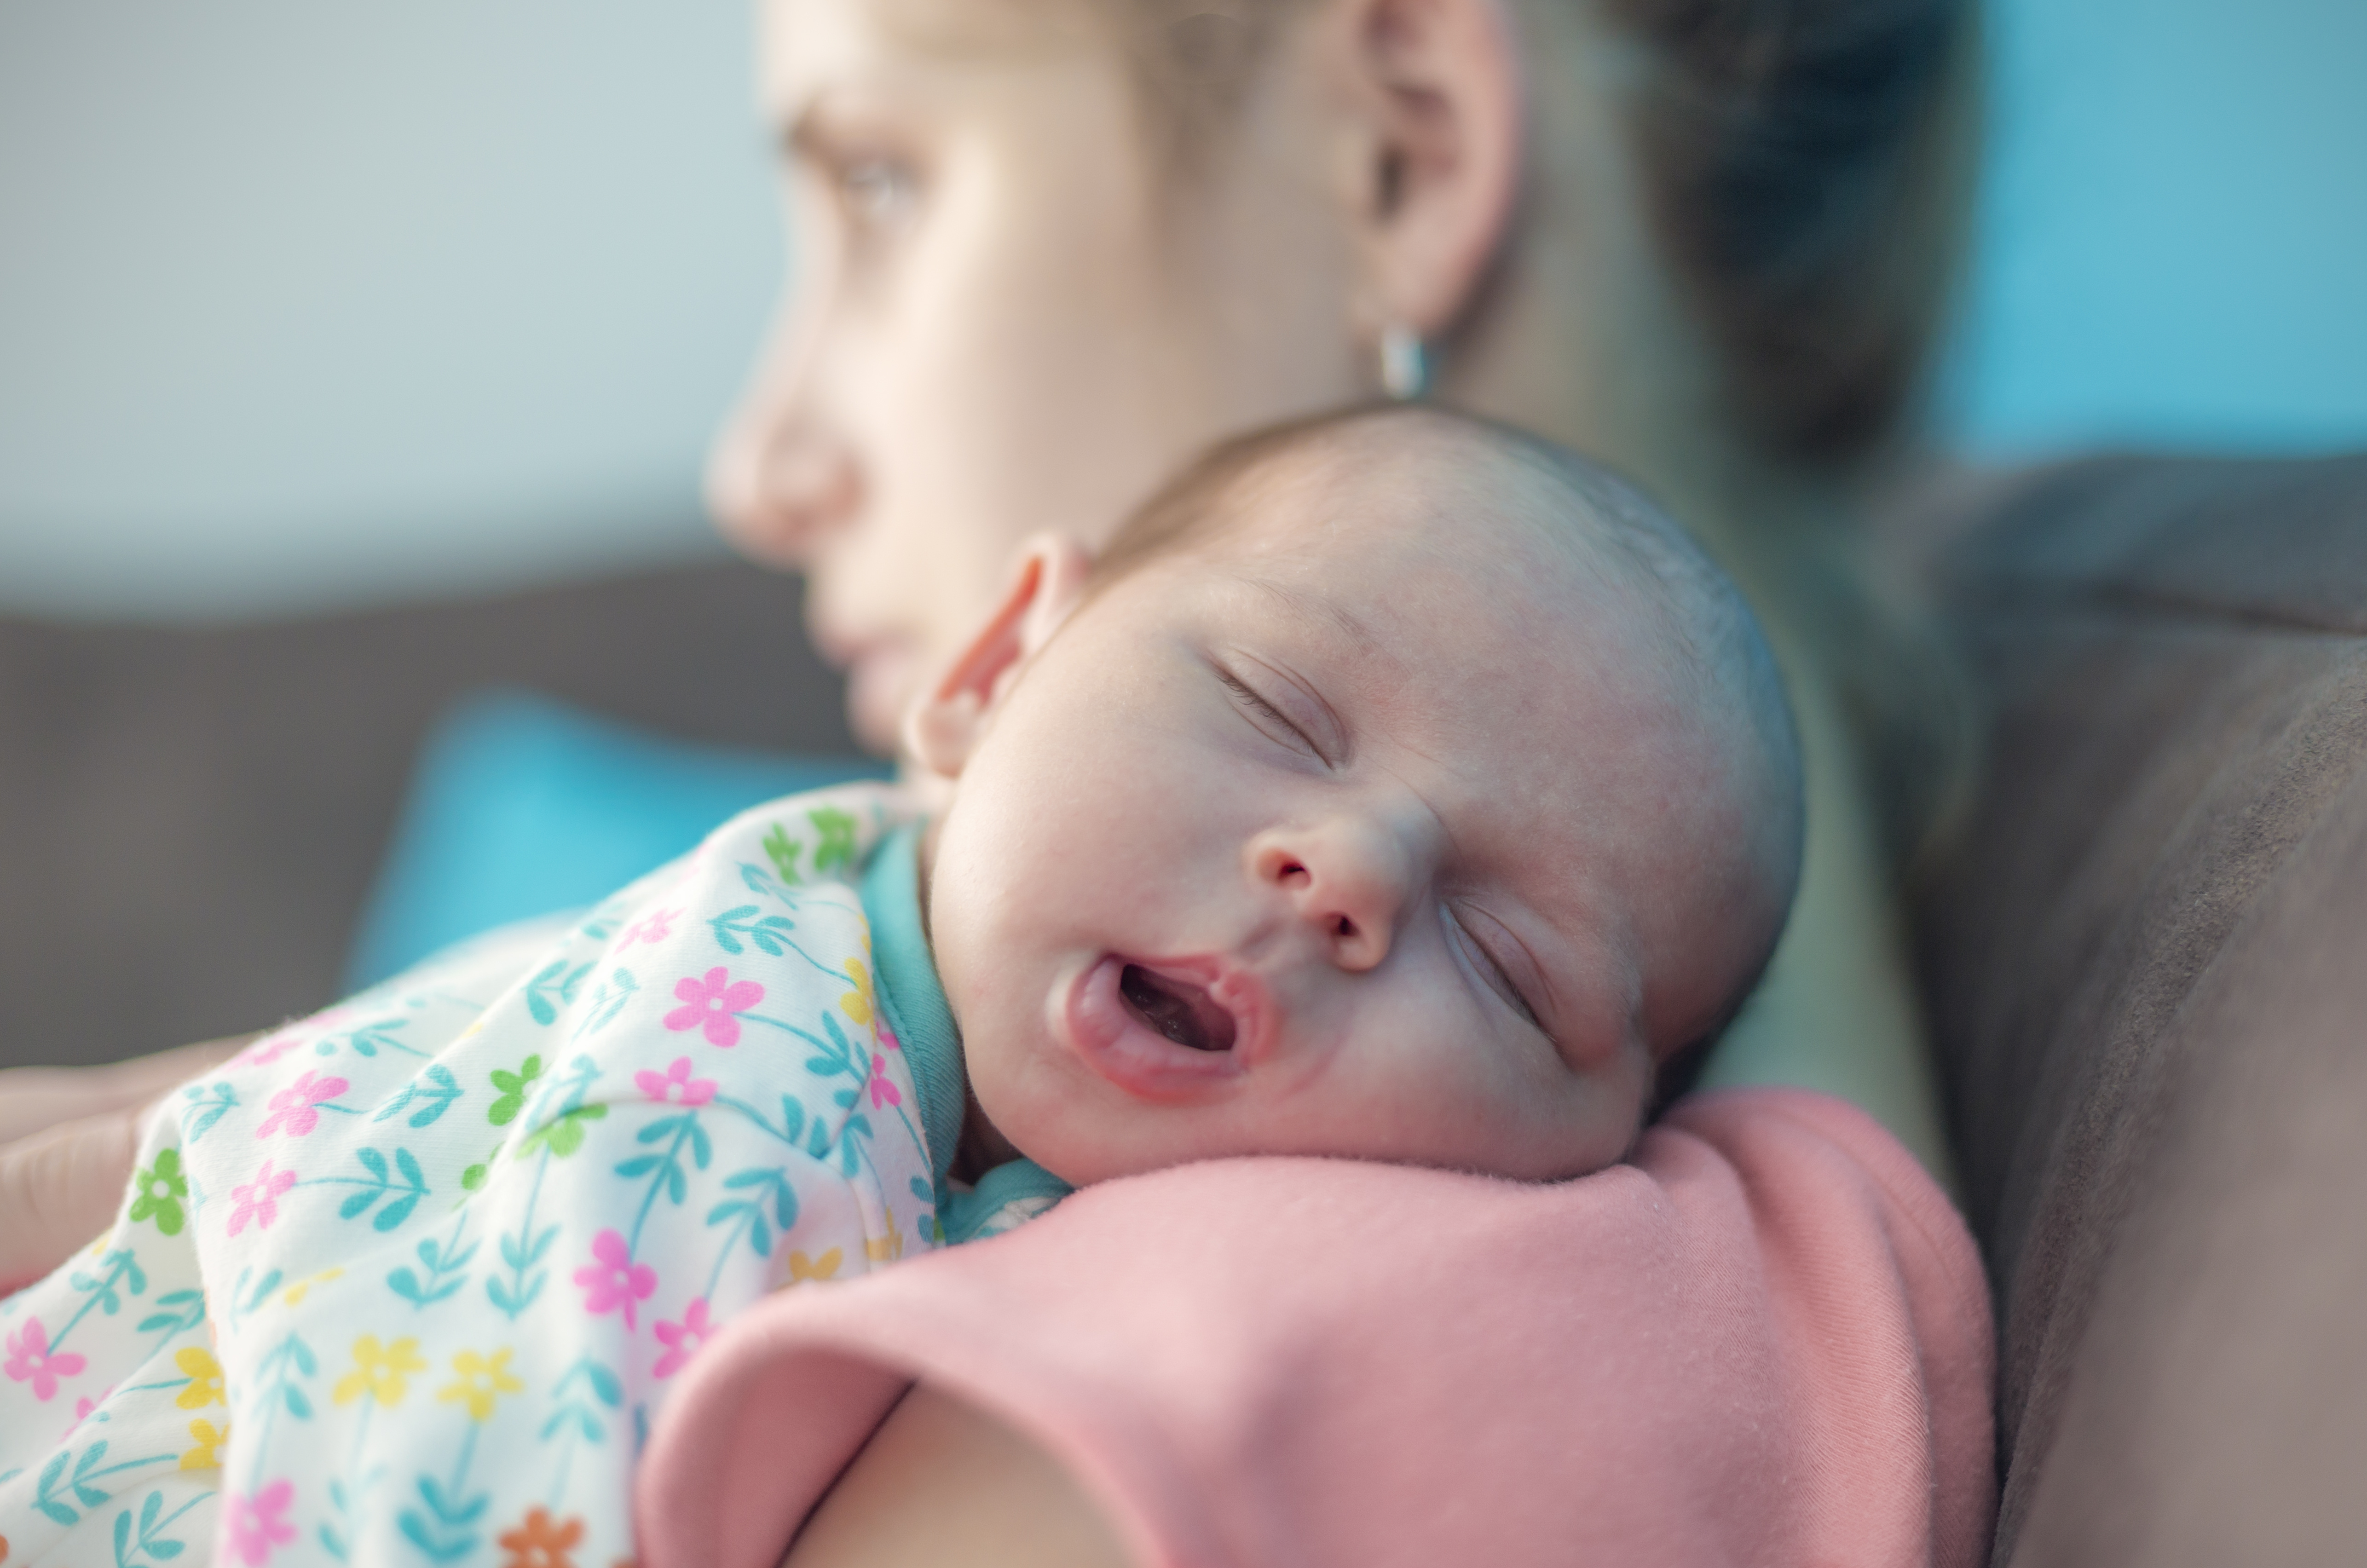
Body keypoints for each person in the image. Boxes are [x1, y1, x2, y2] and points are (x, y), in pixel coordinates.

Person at [0, 0, 1980, 1559]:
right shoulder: (910, 971)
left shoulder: (1467, 1307)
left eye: (877, 180)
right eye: (1281, 711)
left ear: (1401, 145)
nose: (759, 463)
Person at [0, 409, 1844, 1564]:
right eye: (1276, 710)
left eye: (1516, 974)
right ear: (989, 671)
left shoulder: (1162, 1325)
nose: (1349, 872)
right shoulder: (740, 946)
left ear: (1594, 1149)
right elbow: (223, 1129)